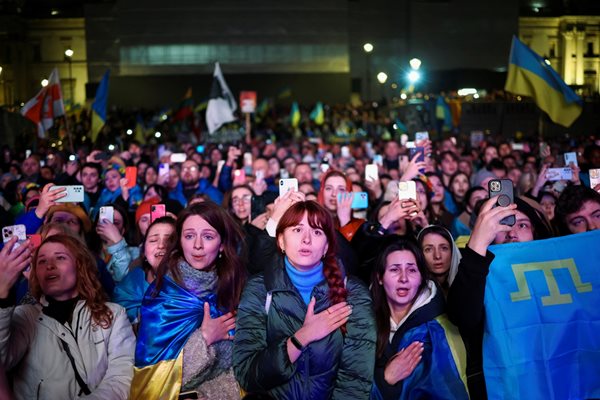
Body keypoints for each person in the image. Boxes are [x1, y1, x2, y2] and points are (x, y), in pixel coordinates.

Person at [233, 200, 376, 399]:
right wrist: (301, 338)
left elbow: (355, 379)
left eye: (317, 232)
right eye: (297, 230)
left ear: (327, 246)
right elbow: (247, 374)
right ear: (281, 241)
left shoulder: (352, 292)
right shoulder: (260, 289)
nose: (306, 239)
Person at [131, 202, 246, 400]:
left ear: (222, 245)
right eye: (189, 236)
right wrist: (204, 338)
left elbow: (246, 366)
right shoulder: (163, 294)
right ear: (180, 242)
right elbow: (153, 380)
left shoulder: (235, 287)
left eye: (208, 236)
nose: (197, 245)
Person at [0, 234, 135, 399]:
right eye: (41, 261)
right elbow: (2, 360)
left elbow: (121, 378)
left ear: (80, 266)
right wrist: (2, 295)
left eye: (60, 258)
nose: (49, 265)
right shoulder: (26, 316)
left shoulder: (113, 315)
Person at [370, 240, 468, 399]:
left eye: (412, 270)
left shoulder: (437, 328)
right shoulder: (363, 322)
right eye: (395, 269)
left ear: (422, 277)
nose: (404, 278)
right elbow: (349, 387)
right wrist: (385, 379)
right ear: (380, 278)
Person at [112, 216, 176, 325]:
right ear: (144, 252)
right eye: (153, 240)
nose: (161, 245)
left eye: (169, 240)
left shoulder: (188, 288)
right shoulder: (128, 286)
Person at [417, 225, 461, 296]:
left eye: (444, 248)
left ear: (453, 251)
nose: (437, 256)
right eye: (428, 249)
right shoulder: (416, 293)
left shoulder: (467, 286)